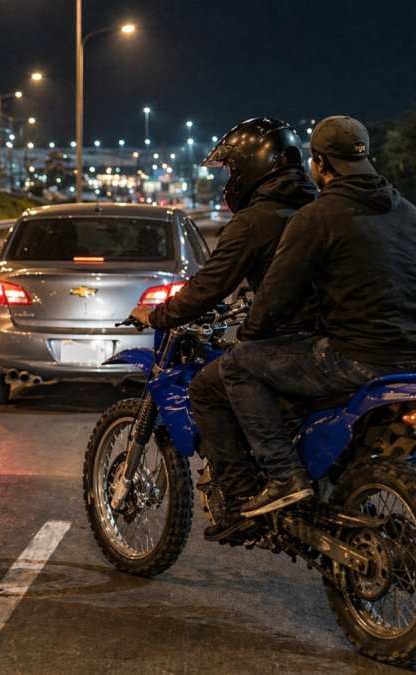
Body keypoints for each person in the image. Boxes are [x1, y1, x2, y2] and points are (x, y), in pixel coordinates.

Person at [219, 115, 416, 520]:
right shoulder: (413, 215)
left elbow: (274, 300)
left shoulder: (315, 217)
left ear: (319, 164)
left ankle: (284, 476)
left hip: (357, 359)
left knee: (239, 365)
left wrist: (249, 333)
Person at [128, 117, 319, 541]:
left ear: (256, 166)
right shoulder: (317, 207)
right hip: (336, 341)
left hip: (293, 343)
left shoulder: (254, 221)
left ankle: (239, 500)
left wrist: (158, 315)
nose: (230, 180)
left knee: (210, 384)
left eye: (232, 170)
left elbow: (209, 287)